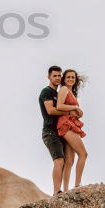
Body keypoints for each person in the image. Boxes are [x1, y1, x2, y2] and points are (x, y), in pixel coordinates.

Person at [39, 65, 83, 194]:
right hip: (50, 132)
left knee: (69, 161)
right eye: (55, 75)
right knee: (59, 160)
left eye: (59, 75)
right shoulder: (46, 92)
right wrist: (72, 111)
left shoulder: (59, 93)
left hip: (61, 131)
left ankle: (66, 190)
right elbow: (51, 110)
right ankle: (57, 192)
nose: (57, 78)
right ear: (49, 77)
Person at [57, 69, 88, 189]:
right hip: (66, 124)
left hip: (71, 123)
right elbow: (59, 106)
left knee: (69, 161)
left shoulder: (70, 91)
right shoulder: (64, 89)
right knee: (83, 154)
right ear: (64, 79)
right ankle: (77, 184)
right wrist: (75, 107)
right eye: (68, 77)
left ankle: (65, 190)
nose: (70, 79)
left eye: (73, 78)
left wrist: (77, 112)